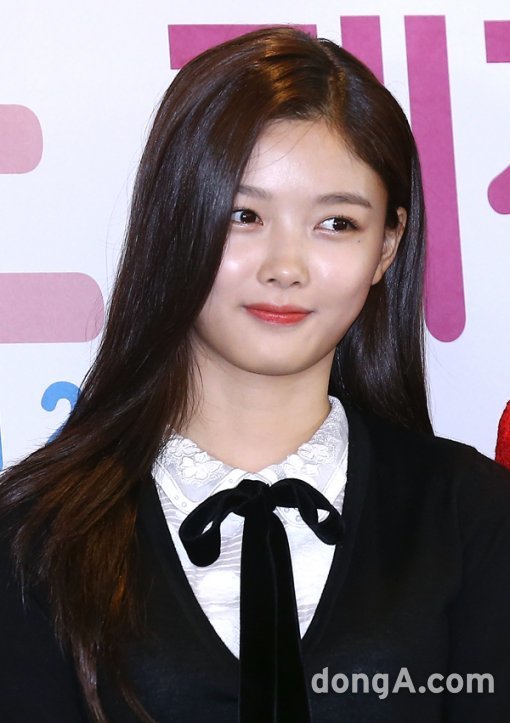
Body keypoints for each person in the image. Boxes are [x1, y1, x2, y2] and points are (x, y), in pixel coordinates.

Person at [1, 26, 509, 723]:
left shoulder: (472, 516)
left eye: (336, 223)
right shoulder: (37, 537)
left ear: (387, 247)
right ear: (176, 218)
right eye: (244, 215)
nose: (285, 266)